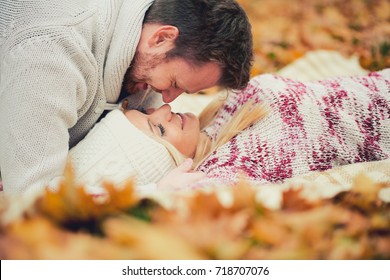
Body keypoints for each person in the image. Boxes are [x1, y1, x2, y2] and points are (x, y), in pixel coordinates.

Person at [0, 0, 253, 196]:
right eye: (174, 83)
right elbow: (28, 197)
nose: (167, 101)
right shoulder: (48, 54)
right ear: (161, 38)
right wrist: (151, 195)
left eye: (183, 91)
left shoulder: (145, 59)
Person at [67, 68, 390, 193]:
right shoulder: (220, 173)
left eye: (151, 111)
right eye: (160, 130)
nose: (165, 110)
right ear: (169, 163)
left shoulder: (210, 121)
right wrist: (155, 191)